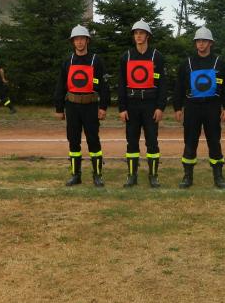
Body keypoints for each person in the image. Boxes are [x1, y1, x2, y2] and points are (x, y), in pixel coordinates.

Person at [173, 26, 225, 188]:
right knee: (190, 141)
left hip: (212, 107)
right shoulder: (186, 64)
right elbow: (179, 87)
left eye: (204, 41)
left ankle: (218, 176)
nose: (201, 44)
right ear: (195, 43)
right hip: (192, 107)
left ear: (210, 43)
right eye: (198, 41)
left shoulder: (220, 63)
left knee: (214, 141)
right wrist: (177, 108)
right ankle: (187, 176)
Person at [53, 25, 110, 187]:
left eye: (82, 39)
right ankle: (75, 175)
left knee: (93, 140)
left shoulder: (96, 61)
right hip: (72, 107)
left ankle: (97, 175)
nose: (79, 42)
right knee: (73, 141)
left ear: (87, 41)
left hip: (91, 106)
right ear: (73, 42)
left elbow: (104, 86)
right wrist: (59, 108)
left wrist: (103, 107)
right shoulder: (68, 61)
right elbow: (60, 86)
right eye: (76, 39)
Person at [117, 19, 167, 187]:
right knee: (132, 141)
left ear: (148, 36)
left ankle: (153, 176)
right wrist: (122, 108)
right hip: (131, 105)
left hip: (150, 106)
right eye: (136, 33)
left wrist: (160, 107)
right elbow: (121, 84)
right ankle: (132, 175)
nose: (138, 36)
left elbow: (163, 84)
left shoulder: (157, 57)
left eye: (142, 33)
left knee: (152, 141)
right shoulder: (126, 57)